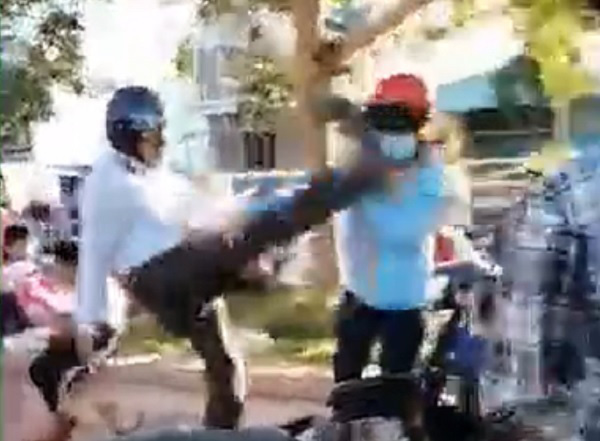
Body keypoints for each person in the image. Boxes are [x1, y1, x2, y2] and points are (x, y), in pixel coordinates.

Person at [42, 85, 409, 430]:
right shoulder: (104, 184)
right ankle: (363, 178)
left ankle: (219, 431)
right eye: (153, 137)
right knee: (257, 227)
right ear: (128, 137)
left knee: (225, 365)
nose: (162, 143)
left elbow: (202, 210)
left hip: (187, 277)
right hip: (160, 278)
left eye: (162, 133)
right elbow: (95, 251)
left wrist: (247, 211)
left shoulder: (156, 177)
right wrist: (90, 319)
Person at [332, 74, 471, 383]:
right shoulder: (357, 168)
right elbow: (324, 200)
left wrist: (387, 184)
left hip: (407, 302)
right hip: (358, 296)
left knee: (396, 389)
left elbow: (406, 231)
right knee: (346, 388)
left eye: (399, 125)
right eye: (382, 124)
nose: (390, 135)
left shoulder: (433, 174)